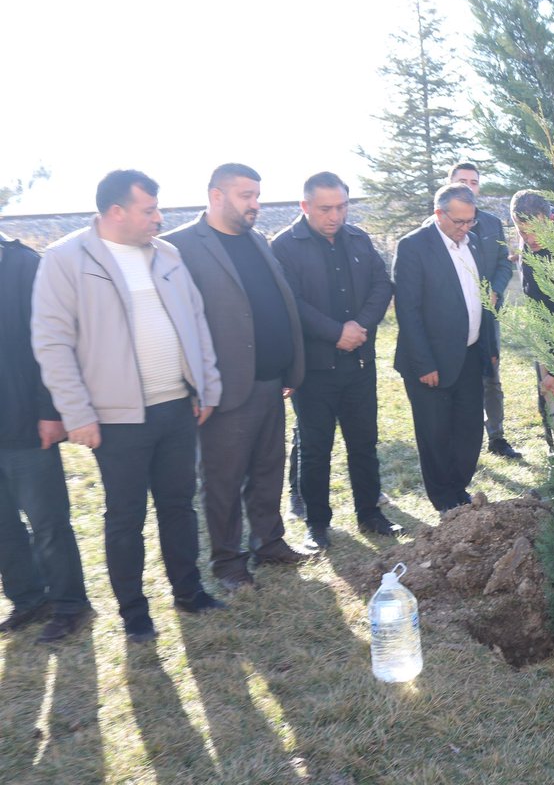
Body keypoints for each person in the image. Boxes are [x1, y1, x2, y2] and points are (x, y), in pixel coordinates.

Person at [32, 170, 225, 643]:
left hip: (177, 406)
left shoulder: (168, 255)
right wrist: (77, 413)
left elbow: (196, 324)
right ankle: (134, 614)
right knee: (125, 518)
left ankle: (189, 591)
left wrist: (207, 385)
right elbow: (52, 342)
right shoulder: (66, 260)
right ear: (115, 212)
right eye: (148, 210)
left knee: (180, 505)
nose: (158, 218)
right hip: (117, 421)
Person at [163, 164, 311, 592]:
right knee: (223, 478)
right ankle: (228, 561)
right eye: (246, 195)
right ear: (216, 195)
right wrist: (191, 384)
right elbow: (175, 323)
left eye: (257, 195)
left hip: (270, 380)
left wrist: (287, 364)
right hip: (221, 390)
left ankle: (269, 541)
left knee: (268, 469)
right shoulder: (179, 247)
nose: (255, 204)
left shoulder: (257, 241)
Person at [271, 172, 399, 550]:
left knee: (364, 442)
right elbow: (290, 302)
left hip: (359, 363)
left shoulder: (358, 239)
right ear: (305, 206)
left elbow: (382, 285)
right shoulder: (284, 247)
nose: (335, 216)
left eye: (342, 206)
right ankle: (317, 524)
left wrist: (359, 325)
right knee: (315, 447)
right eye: (326, 208)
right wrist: (335, 332)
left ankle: (370, 514)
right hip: (314, 370)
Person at [0, 233, 91, 644]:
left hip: (23, 422)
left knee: (48, 522)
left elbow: (49, 345)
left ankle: (70, 604)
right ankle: (28, 599)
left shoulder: (22, 264)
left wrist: (50, 411)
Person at [393, 183, 498, 512]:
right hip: (431, 361)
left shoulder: (474, 242)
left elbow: (482, 299)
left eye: (471, 221)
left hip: (469, 353)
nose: (466, 228)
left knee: (469, 430)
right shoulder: (413, 247)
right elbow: (407, 311)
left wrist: (489, 346)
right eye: (459, 222)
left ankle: (458, 487)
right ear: (439, 215)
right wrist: (424, 364)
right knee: (435, 434)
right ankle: (444, 500)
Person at [446, 162, 520, 459]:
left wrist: (496, 289)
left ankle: (497, 436)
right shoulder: (438, 226)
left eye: (473, 182)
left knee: (491, 376)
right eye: (462, 181)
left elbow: (504, 262)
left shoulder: (491, 224)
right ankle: (460, 440)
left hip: (487, 316)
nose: (469, 186)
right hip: (451, 322)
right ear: (449, 183)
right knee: (457, 379)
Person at [509, 189, 554, 451]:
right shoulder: (529, 244)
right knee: (547, 398)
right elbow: (536, 303)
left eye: (535, 230)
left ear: (549, 218)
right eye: (522, 233)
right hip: (544, 335)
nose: (530, 239)